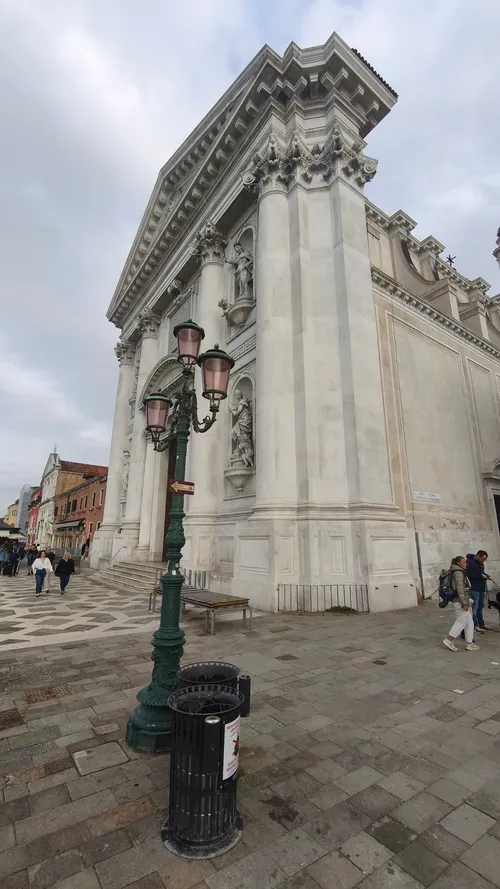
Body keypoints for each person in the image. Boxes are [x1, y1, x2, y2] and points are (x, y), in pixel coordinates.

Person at [443, 556, 479, 652]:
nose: (465, 563)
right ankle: (449, 639)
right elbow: (460, 588)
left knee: (469, 622)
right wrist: (465, 603)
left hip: (461, 599)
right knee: (461, 621)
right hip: (459, 600)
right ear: (458, 563)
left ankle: (469, 643)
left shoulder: (456, 571)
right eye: (464, 562)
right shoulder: (458, 572)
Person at [466, 550, 490, 633]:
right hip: (474, 588)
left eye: (484, 560)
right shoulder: (469, 562)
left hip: (481, 587)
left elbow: (481, 572)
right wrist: (480, 576)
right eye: (482, 559)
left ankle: (481, 623)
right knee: (474, 607)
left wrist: (485, 575)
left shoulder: (480, 564)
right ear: (478, 556)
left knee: (481, 606)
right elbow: (468, 574)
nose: (483, 561)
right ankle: (475, 625)